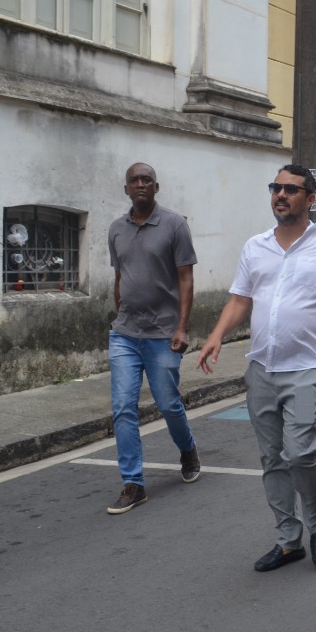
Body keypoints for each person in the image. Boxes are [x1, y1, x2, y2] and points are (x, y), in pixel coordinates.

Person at [196, 165, 316, 571]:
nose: (280, 195)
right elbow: (239, 299)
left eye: (291, 189)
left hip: (306, 366)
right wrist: (216, 335)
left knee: (300, 452)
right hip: (262, 369)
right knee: (272, 458)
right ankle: (289, 541)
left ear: (310, 198)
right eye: (276, 188)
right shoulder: (256, 246)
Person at [105, 162, 201, 515]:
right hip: (125, 334)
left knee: (168, 403)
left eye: (147, 180)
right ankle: (133, 483)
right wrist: (119, 315)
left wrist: (182, 327)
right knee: (123, 408)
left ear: (156, 187)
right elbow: (120, 277)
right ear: (126, 189)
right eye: (134, 180)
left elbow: (186, 280)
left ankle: (188, 448)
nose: (141, 184)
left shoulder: (174, 225)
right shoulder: (116, 229)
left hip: (163, 332)